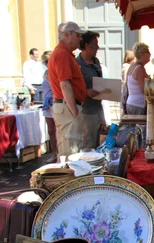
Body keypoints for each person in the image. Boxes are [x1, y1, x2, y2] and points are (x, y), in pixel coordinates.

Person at [48, 22, 87, 159]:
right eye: (77, 35)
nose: (80, 39)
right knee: (70, 153)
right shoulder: (62, 54)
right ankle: (68, 180)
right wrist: (74, 112)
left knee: (70, 149)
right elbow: (65, 84)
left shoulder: (65, 54)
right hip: (68, 106)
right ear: (66, 35)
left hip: (66, 106)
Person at [77, 31, 104, 149]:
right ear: (87, 46)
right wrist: (86, 92)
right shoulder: (77, 64)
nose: (98, 47)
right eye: (95, 44)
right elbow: (72, 86)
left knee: (100, 137)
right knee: (88, 141)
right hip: (86, 109)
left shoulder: (96, 61)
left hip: (98, 106)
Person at [125, 42, 151, 115]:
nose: (150, 55)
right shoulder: (140, 68)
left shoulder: (132, 66)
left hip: (131, 102)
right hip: (138, 105)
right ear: (143, 54)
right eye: (148, 52)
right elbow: (143, 89)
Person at [41, 51, 57, 162]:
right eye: (45, 62)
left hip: (56, 102)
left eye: (48, 61)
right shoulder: (46, 73)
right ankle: (54, 153)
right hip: (47, 103)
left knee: (58, 130)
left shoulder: (55, 71)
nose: (47, 63)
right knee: (51, 130)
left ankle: (60, 153)